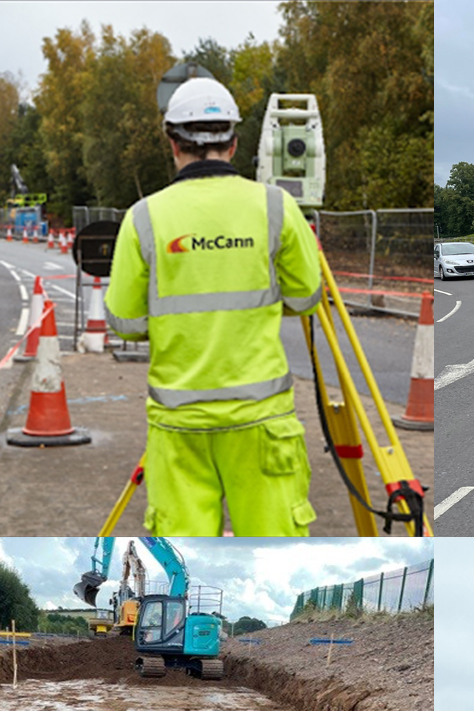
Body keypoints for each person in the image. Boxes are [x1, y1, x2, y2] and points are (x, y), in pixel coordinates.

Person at [105, 77, 323, 536]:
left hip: (179, 425)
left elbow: (125, 323)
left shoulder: (144, 217)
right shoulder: (276, 206)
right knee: (274, 551)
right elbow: (306, 298)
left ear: (172, 142)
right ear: (235, 142)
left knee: (185, 551)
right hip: (261, 420)